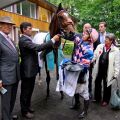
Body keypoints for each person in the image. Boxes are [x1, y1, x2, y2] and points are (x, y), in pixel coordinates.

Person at [19, 22, 60, 119]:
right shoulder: (24, 40)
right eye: (29, 28)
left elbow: (40, 46)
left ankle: (27, 107)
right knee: (25, 92)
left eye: (31, 28)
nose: (31, 29)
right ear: (24, 30)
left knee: (30, 91)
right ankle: (24, 111)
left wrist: (50, 44)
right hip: (27, 71)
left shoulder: (28, 39)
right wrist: (52, 40)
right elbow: (37, 48)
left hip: (31, 70)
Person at [0, 16, 20, 120]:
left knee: (12, 99)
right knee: (6, 102)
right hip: (5, 78)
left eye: (11, 25)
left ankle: (9, 115)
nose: (9, 26)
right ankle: (5, 118)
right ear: (0, 25)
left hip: (15, 75)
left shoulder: (10, 39)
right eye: (6, 24)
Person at [92, 33, 120, 106]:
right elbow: (94, 55)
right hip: (99, 68)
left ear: (111, 41)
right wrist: (90, 61)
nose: (105, 40)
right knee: (97, 82)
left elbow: (117, 63)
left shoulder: (116, 50)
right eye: (105, 39)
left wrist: (116, 74)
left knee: (107, 85)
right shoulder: (100, 46)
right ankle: (97, 98)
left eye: (107, 39)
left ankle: (106, 100)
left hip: (108, 70)